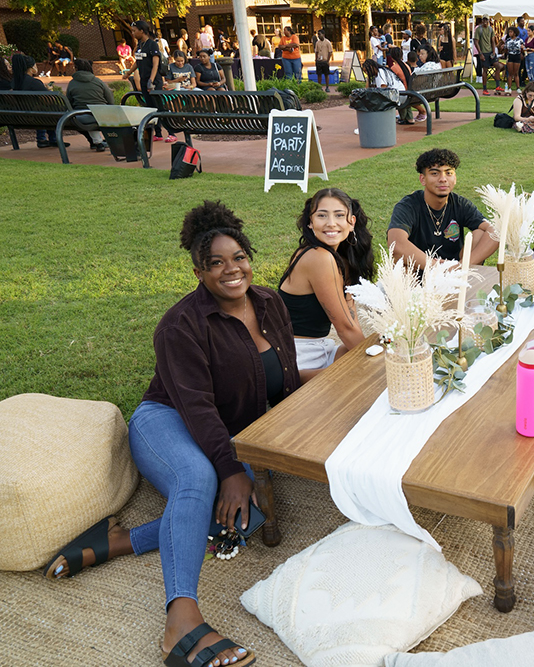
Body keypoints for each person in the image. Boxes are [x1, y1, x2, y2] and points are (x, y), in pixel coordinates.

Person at [44, 201, 299, 667]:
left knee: (242, 518)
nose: (231, 269)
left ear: (249, 256)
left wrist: (280, 450)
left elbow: (285, 376)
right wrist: (230, 469)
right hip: (166, 419)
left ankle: (120, 541)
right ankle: (181, 622)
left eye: (238, 257)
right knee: (199, 482)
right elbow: (197, 407)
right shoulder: (180, 325)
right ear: (198, 270)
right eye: (216, 263)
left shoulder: (269, 302)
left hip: (225, 430)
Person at [279, 189, 374, 379]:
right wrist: (375, 364)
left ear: (352, 222)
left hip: (322, 350)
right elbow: (344, 329)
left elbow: (351, 321)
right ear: (310, 222)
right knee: (367, 368)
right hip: (298, 359)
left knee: (378, 346)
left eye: (339, 215)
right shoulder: (318, 257)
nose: (331, 223)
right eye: (322, 215)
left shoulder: (341, 258)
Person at [388, 149, 499, 268]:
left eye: (448, 173)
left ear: (455, 178)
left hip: (454, 272)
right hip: (418, 271)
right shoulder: (408, 206)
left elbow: (496, 231)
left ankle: (465, 274)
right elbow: (396, 244)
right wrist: (437, 267)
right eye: (435, 173)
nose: (443, 179)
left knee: (481, 232)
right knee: (399, 258)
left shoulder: (460, 204)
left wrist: (461, 266)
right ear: (423, 179)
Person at [121, 21, 177, 143]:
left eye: (134, 30)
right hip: (144, 79)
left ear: (142, 31)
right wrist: (128, 73)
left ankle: (172, 133)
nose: (133, 33)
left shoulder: (152, 45)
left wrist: (151, 81)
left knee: (159, 108)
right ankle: (158, 133)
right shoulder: (140, 45)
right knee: (151, 108)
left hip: (153, 81)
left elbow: (155, 64)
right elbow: (137, 61)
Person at [11, 54, 64, 149]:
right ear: (31, 68)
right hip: (34, 116)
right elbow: (49, 101)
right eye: (35, 65)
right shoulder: (34, 82)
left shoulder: (13, 82)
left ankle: (45, 139)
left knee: (43, 110)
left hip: (17, 117)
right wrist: (50, 91)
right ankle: (50, 139)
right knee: (49, 109)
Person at [65, 58, 112, 151]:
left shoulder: (72, 83)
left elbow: (69, 102)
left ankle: (97, 142)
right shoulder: (98, 81)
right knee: (93, 114)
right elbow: (110, 98)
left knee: (86, 116)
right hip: (102, 114)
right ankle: (101, 142)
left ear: (76, 68)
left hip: (81, 117)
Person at [475, 17, 501, 95]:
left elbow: (492, 41)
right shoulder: (479, 29)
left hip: (490, 52)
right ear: (482, 21)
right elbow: (476, 42)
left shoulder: (490, 29)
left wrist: (493, 51)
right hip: (484, 52)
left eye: (486, 20)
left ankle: (497, 86)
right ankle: (484, 89)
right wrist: (480, 54)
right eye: (484, 20)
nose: (485, 21)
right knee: (485, 70)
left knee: (498, 66)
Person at [504, 26, 525, 94]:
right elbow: (505, 49)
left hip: (517, 56)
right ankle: (509, 88)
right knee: (510, 73)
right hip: (510, 56)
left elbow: (523, 48)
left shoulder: (520, 40)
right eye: (509, 32)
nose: (509, 33)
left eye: (511, 32)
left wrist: (522, 48)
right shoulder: (507, 40)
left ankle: (518, 87)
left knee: (516, 73)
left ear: (515, 33)